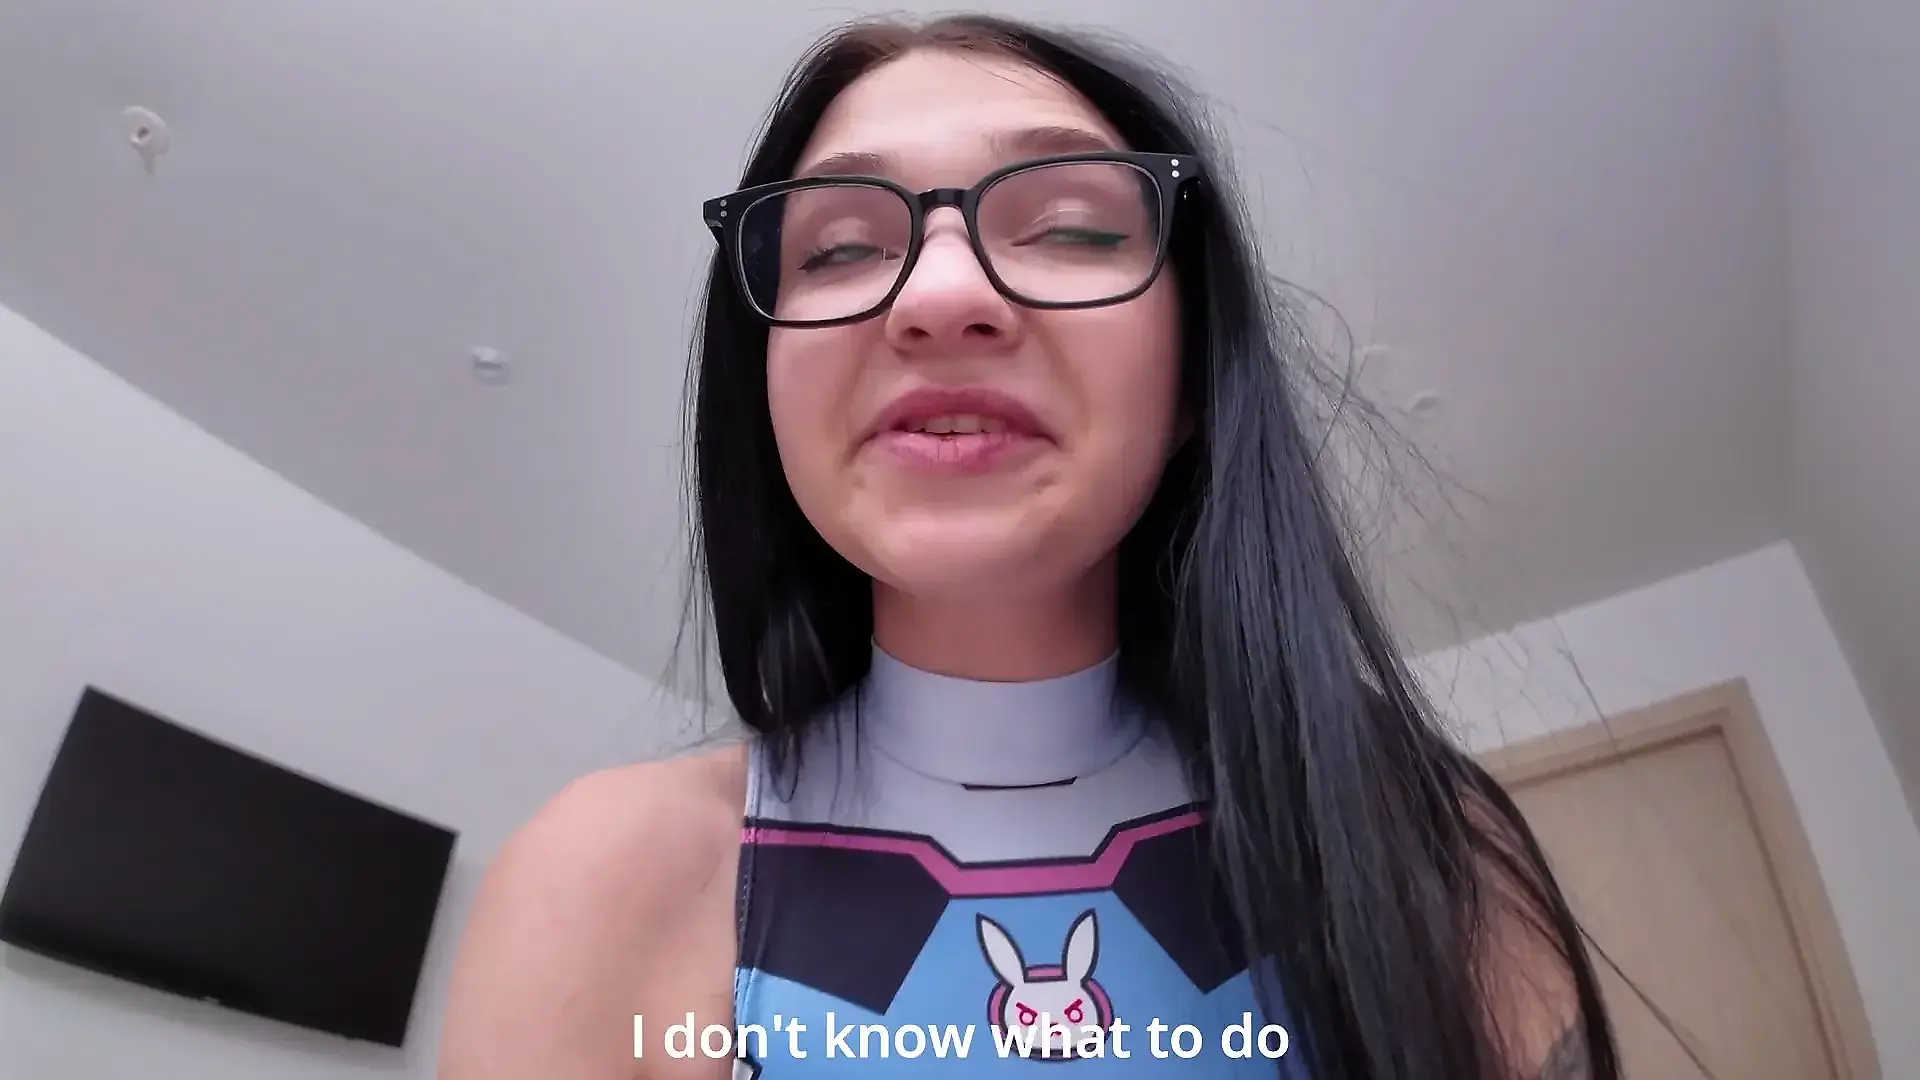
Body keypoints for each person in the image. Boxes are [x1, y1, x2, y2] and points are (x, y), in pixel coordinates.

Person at [439, 13, 1618, 1080]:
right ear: (768, 392)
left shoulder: (1425, 845)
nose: (938, 295)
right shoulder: (604, 877)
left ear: (1193, 373)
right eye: (839, 249)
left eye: (1068, 227)